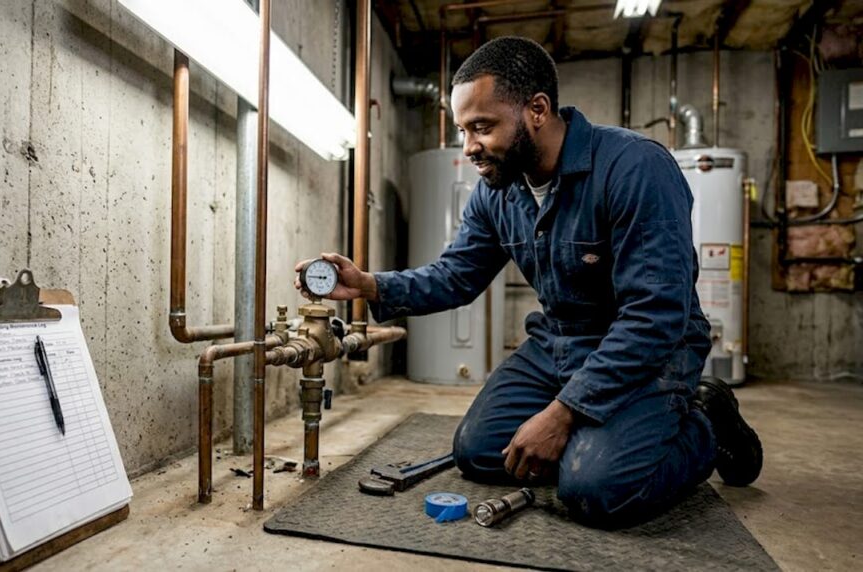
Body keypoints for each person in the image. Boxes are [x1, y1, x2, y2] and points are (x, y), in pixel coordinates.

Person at [294, 37, 762, 526]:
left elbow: (655, 316)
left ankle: (705, 421)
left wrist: (563, 414)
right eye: (463, 130)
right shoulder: (500, 189)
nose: (470, 147)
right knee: (478, 452)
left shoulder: (635, 167)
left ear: (537, 109)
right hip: (559, 343)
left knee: (596, 491)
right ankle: (610, 438)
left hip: (649, 351)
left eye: (482, 127)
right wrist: (368, 284)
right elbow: (457, 275)